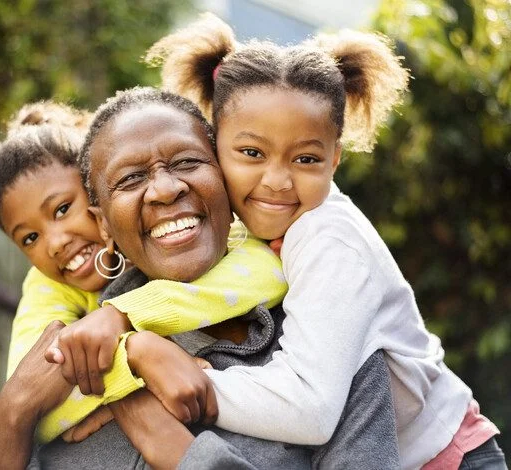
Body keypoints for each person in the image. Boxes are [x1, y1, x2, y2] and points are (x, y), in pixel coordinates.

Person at [0, 86, 400, 469]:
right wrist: (15, 411)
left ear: (227, 181)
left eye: (188, 162)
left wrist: (177, 450)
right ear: (103, 224)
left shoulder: (329, 348)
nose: (164, 189)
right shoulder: (77, 364)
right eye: (131, 178)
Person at [144, 13, 506, 469]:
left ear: (335, 159)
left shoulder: (328, 240)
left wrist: (202, 383)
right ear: (214, 144)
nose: (276, 181)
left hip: (449, 459)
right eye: (252, 153)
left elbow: (311, 409)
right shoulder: (242, 229)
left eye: (306, 158)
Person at [0, 100, 288, 442]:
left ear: (99, 192)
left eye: (63, 208)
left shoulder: (206, 230)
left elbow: (269, 270)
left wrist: (123, 317)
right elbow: (30, 391)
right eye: (30, 237)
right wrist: (134, 364)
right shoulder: (47, 286)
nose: (54, 243)